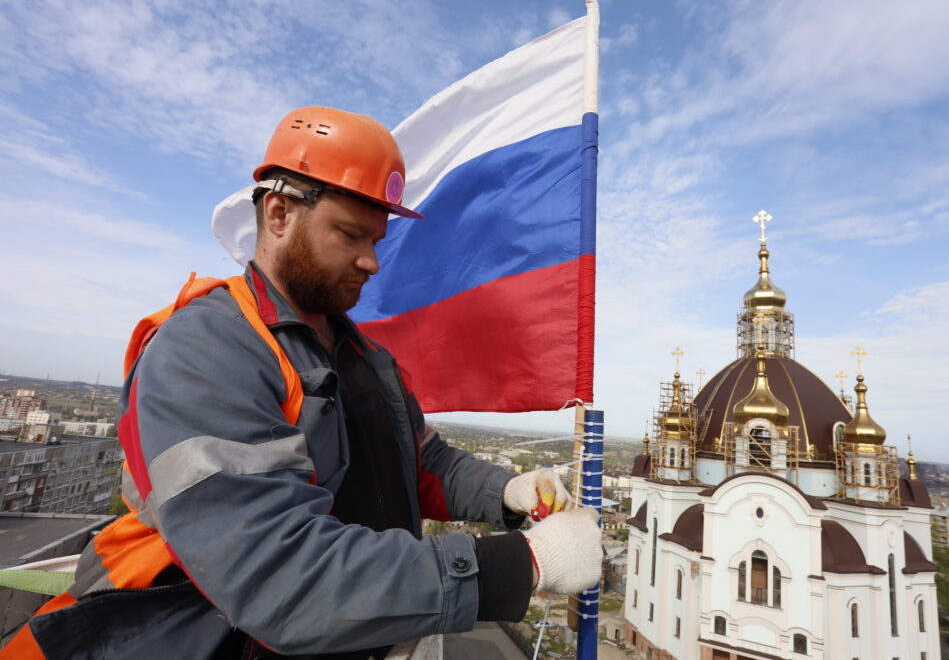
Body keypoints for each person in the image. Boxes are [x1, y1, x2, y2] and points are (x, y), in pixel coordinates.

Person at [3, 107, 603, 659]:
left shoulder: (365, 356)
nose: (372, 260)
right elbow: (278, 572)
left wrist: (508, 490)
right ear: (280, 213)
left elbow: (423, 463)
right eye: (350, 234)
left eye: (376, 239)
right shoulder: (208, 348)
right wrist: (523, 564)